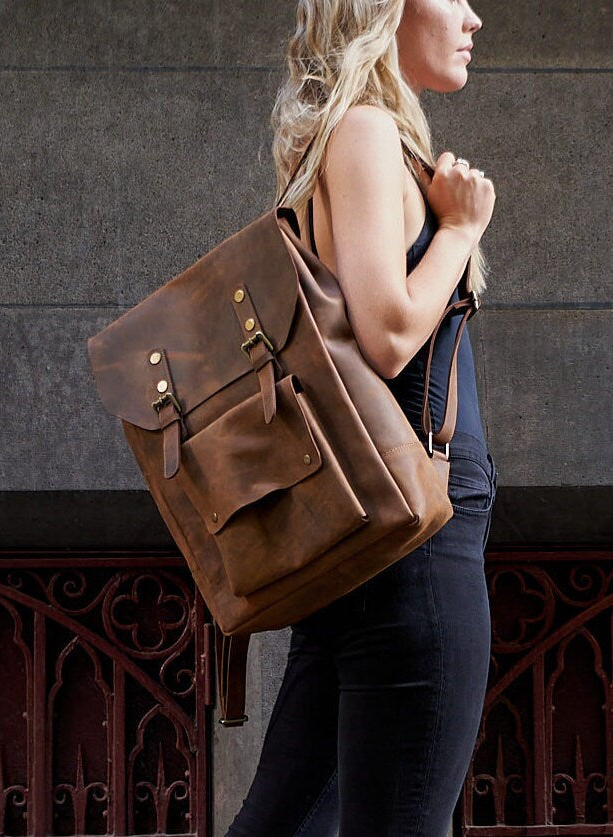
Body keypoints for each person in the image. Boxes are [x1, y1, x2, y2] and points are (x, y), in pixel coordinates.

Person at [224, 0, 498, 835]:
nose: (474, 18)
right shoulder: (366, 132)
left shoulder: (338, 141)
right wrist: (460, 227)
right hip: (413, 551)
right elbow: (386, 334)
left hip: (360, 552)